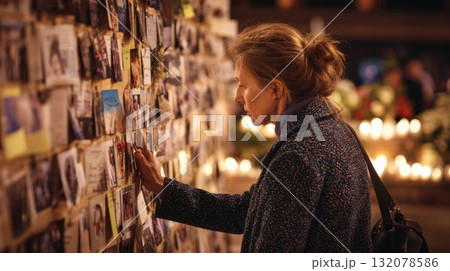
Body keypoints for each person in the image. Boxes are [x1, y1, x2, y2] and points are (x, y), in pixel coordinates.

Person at [134, 23, 372, 252]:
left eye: (243, 85)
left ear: (276, 89)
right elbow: (248, 211)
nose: (238, 97)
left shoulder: (298, 156)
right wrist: (163, 188)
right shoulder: (334, 129)